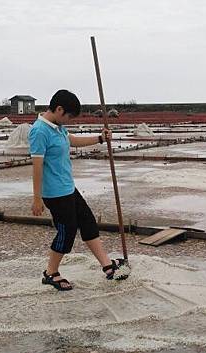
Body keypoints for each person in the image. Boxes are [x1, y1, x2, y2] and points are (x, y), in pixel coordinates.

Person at [29, 89, 125, 291]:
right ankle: (50, 273)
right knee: (67, 231)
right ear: (59, 109)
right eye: (69, 116)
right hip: (54, 194)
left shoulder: (58, 126)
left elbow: (72, 141)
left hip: (68, 188)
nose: (69, 121)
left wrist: (99, 139)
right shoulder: (39, 131)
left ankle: (107, 266)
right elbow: (37, 167)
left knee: (88, 222)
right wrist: (37, 199)